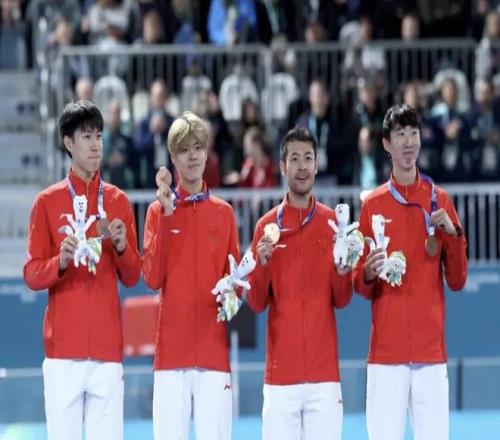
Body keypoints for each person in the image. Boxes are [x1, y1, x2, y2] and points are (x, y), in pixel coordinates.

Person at [23, 100, 142, 440]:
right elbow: (31, 273)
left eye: (99, 136)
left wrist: (122, 248)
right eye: (86, 136)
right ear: (68, 143)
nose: (95, 145)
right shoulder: (46, 202)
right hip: (63, 354)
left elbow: (133, 276)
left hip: (107, 353)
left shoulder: (118, 201)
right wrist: (59, 263)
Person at [354, 104, 468, 440]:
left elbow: (457, 280)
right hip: (386, 355)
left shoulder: (440, 201)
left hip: (430, 353)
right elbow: (360, 285)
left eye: (414, 133)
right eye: (400, 134)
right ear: (386, 144)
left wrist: (453, 236)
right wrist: (368, 273)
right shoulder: (373, 205)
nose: (409, 142)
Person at [246, 126, 354, 440]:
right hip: (281, 378)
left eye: (308, 158)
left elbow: (342, 299)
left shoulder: (333, 224)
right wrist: (262, 266)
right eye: (295, 159)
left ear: (317, 165)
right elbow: (256, 303)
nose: (302, 166)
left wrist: (342, 270)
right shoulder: (266, 227)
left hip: (324, 378)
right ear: (283, 167)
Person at [142, 111, 240, 440]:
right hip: (171, 356)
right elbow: (152, 278)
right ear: (173, 157)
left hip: (213, 354)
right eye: (184, 149)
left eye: (198, 147)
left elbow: (235, 279)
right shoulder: (156, 212)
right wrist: (168, 216)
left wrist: (233, 295)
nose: (193, 156)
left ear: (207, 152)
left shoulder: (224, 214)